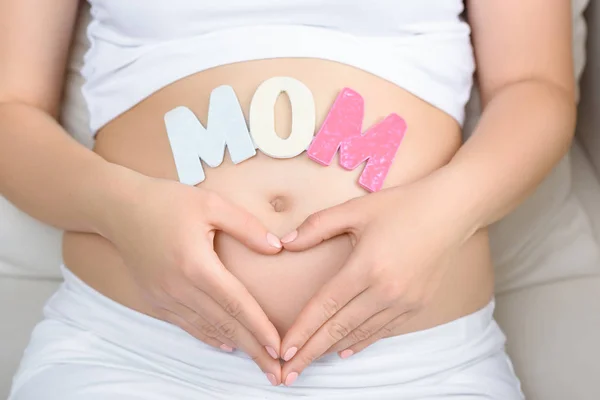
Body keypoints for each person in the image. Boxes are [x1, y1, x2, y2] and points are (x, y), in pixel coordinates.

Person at [1, 0, 574, 399]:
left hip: (417, 368)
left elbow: (536, 87)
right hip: (129, 355)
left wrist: (442, 213)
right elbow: (10, 110)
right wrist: (121, 209)